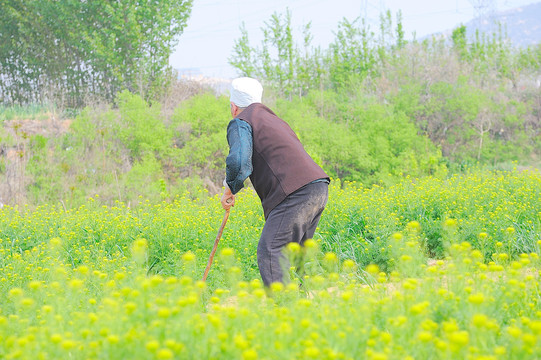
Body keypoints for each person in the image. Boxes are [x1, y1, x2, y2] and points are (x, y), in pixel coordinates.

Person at [221, 77, 330, 287]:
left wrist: (229, 188)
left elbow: (238, 161)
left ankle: (284, 311)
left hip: (295, 193)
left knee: (270, 251)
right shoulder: (274, 119)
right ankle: (304, 311)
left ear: (233, 107)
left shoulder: (241, 121)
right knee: (297, 257)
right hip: (318, 186)